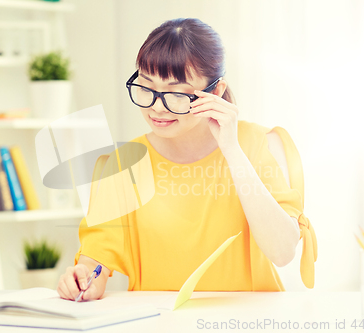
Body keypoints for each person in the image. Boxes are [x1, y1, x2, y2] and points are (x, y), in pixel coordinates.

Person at [57, 18, 316, 301]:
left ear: (215, 92)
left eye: (176, 94)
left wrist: (231, 149)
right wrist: (83, 279)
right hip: (159, 321)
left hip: (247, 321)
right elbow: (97, 258)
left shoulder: (255, 145)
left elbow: (282, 252)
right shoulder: (124, 164)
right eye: (146, 87)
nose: (157, 107)